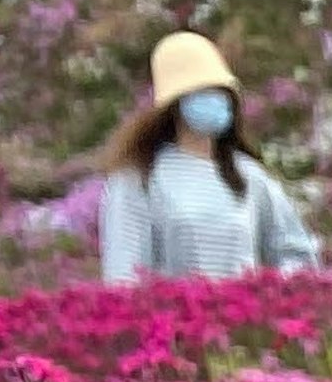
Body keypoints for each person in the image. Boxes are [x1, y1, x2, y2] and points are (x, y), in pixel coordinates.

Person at [99, 34, 317, 286]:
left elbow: (298, 254)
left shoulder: (249, 176)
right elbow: (123, 277)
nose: (213, 99)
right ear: (175, 102)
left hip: (243, 321)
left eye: (219, 91)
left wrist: (266, 294)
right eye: (201, 91)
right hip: (172, 323)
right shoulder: (138, 178)